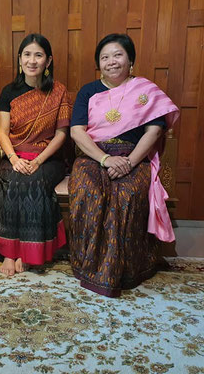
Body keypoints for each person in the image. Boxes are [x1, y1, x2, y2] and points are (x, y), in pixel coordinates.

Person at [69, 33, 179, 297]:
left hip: (134, 156)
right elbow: (76, 131)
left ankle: (127, 269)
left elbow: (154, 132)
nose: (111, 62)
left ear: (131, 60)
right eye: (104, 57)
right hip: (94, 156)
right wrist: (104, 159)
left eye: (117, 55)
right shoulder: (89, 91)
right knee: (89, 192)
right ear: (99, 63)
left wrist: (129, 162)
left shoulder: (145, 91)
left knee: (126, 195)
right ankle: (88, 264)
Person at [0, 33, 72, 276]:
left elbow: (61, 134)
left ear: (48, 61)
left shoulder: (58, 91)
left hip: (48, 158)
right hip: (15, 155)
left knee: (34, 181)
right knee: (13, 181)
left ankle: (29, 253)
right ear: (20, 59)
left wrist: (38, 160)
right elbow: (3, 133)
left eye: (38, 55)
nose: (32, 60)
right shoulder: (9, 91)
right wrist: (14, 159)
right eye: (27, 54)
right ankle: (9, 251)